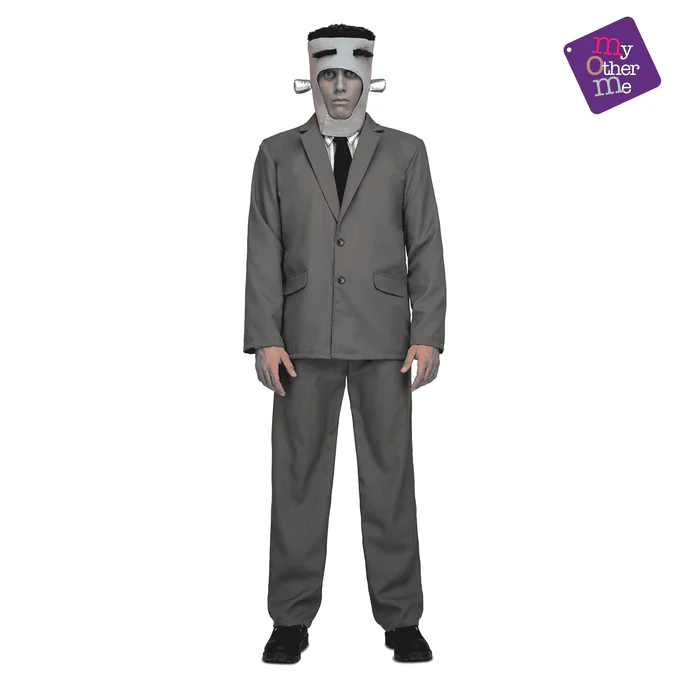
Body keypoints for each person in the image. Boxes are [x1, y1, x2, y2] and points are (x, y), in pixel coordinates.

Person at [243, 23, 447, 663]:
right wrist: (265, 337)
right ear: (312, 77)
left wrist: (429, 333)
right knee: (297, 482)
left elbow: (426, 245)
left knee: (390, 480)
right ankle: (290, 619)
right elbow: (263, 249)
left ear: (367, 78)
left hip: (386, 342)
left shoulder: (406, 153)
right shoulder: (276, 154)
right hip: (301, 343)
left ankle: (401, 619)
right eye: (327, 74)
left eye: (349, 76)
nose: (338, 88)